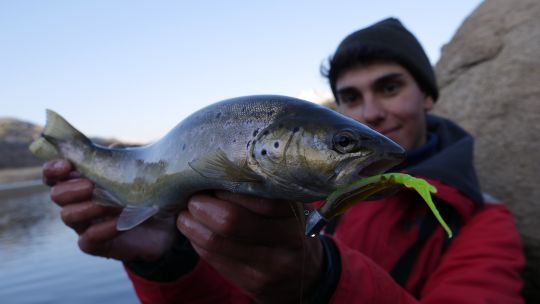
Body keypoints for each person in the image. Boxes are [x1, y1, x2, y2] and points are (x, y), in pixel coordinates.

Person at [42, 17, 525, 303]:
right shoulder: (286, 199)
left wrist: (324, 281)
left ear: (429, 96)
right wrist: (170, 261)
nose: (373, 112)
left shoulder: (484, 223)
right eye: (350, 98)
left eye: (390, 87)